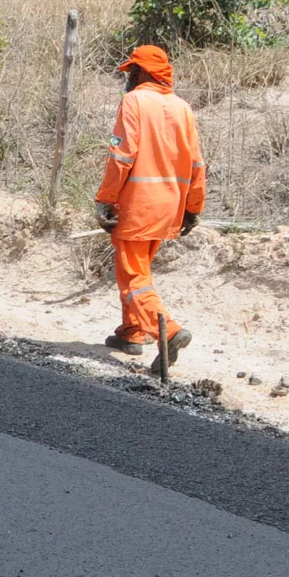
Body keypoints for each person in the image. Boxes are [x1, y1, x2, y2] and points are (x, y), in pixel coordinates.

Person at [96, 44, 205, 372]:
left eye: (131, 71)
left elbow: (122, 156)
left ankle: (168, 332)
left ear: (143, 72)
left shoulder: (134, 101)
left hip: (137, 205)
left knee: (133, 279)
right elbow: (197, 163)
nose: (128, 78)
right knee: (139, 270)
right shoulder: (182, 108)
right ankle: (133, 333)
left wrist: (105, 199)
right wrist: (193, 208)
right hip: (169, 207)